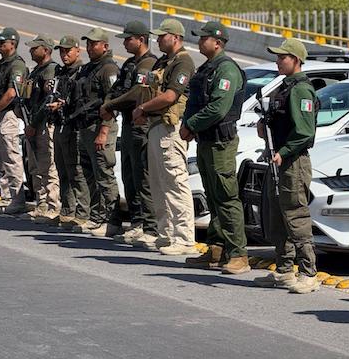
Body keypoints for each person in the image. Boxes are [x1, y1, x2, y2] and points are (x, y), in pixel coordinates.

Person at [181, 21, 250, 274]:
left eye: (204, 38)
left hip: (221, 142)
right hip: (207, 141)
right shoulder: (208, 68)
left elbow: (218, 108)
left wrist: (191, 125)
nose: (200, 42)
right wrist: (190, 124)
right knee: (213, 196)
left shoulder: (226, 69)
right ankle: (217, 249)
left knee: (226, 196)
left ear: (217, 43)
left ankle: (238, 254)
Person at [253, 38, 319, 294]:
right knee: (277, 215)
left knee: (295, 214)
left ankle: (308, 272)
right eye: (278, 57)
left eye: (283, 57)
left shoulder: (301, 90)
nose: (278, 61)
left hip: (293, 161)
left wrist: (284, 152)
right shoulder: (285, 86)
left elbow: (304, 132)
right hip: (279, 159)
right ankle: (284, 269)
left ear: (296, 60)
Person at [131, 18, 198, 255]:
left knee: (175, 182)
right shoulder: (164, 61)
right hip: (156, 125)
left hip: (171, 128)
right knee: (159, 184)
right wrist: (144, 111)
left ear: (176, 38)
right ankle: (166, 234)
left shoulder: (183, 62)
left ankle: (184, 238)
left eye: (162, 36)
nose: (158, 40)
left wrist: (143, 108)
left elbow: (170, 96)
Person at [99, 21, 157, 244]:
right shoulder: (130, 64)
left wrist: (111, 105)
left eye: (128, 39)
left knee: (143, 178)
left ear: (141, 40)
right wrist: (109, 103)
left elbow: (137, 93)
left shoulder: (148, 64)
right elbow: (117, 89)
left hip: (141, 127)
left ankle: (149, 226)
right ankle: (136, 222)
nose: (124, 43)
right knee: (129, 177)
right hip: (129, 126)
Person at [71, 27, 120, 236]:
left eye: (94, 44)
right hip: (86, 126)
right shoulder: (89, 68)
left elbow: (112, 102)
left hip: (101, 127)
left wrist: (103, 131)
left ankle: (113, 220)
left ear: (105, 46)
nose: (90, 47)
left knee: (104, 173)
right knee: (88, 174)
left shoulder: (108, 69)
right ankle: (97, 217)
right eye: (88, 44)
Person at [0, 27, 29, 215]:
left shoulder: (16, 65)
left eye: (3, 42)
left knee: (11, 158)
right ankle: (7, 197)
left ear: (13, 44)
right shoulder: (1, 65)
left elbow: (11, 93)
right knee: (1, 160)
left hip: (7, 115)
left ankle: (17, 200)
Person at [47, 35, 91, 230]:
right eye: (62, 51)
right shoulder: (61, 72)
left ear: (77, 51)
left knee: (76, 171)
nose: (64, 55)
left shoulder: (82, 72)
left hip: (73, 126)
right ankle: (67, 210)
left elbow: (82, 100)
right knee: (62, 169)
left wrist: (63, 104)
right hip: (60, 124)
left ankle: (82, 213)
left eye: (68, 51)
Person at [21, 34, 61, 223]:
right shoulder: (36, 71)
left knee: (48, 167)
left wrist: (34, 124)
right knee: (35, 167)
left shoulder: (51, 70)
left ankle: (53, 207)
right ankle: (41, 204)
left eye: (34, 48)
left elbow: (48, 100)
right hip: (32, 124)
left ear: (45, 50)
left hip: (43, 125)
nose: (31, 51)